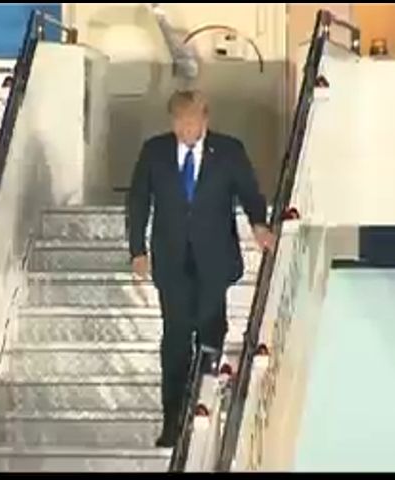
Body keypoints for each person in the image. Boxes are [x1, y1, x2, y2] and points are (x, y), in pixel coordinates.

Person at [126, 89, 276, 448]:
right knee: (176, 341)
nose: (185, 128)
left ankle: (202, 409)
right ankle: (172, 422)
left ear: (205, 119)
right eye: (179, 121)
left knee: (211, 334)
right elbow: (138, 200)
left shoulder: (228, 150)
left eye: (192, 121)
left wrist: (258, 224)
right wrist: (137, 250)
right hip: (172, 261)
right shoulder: (155, 151)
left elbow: (249, 192)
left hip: (214, 260)